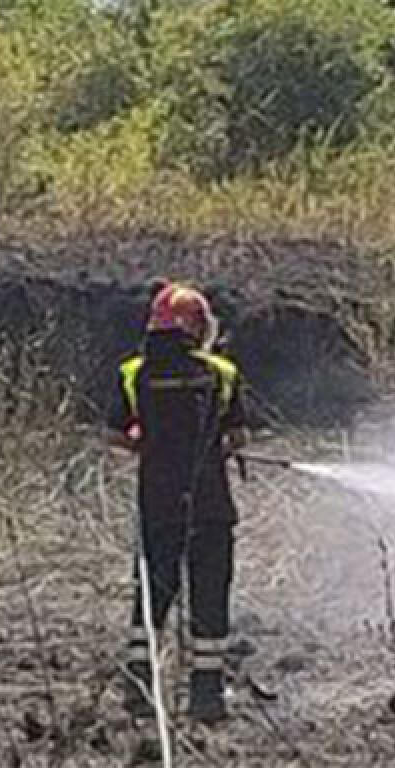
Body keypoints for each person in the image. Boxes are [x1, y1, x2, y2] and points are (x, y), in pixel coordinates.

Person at [106, 280, 249, 723]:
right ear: (198, 326)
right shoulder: (221, 373)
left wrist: (148, 443)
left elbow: (115, 436)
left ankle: (137, 687)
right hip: (209, 507)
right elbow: (237, 436)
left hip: (158, 503)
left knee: (153, 589)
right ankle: (206, 697)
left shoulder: (133, 373)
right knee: (210, 592)